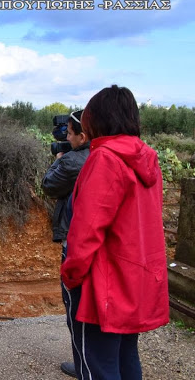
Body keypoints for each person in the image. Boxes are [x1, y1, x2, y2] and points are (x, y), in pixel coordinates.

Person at [61, 85, 169, 380]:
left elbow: (86, 230)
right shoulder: (147, 157)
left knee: (97, 363)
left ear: (96, 120)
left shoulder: (104, 159)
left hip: (102, 282)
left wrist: (71, 276)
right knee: (124, 353)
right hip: (135, 278)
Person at [41, 110, 90, 378]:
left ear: (83, 136)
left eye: (70, 134)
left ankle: (84, 366)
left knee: (76, 308)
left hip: (75, 237)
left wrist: (59, 160)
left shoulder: (73, 162)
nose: (66, 138)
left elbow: (49, 185)